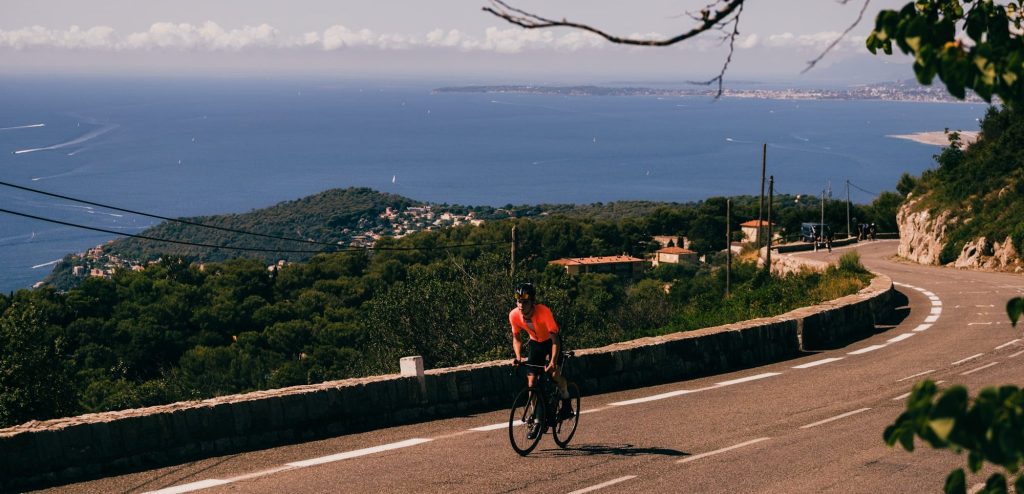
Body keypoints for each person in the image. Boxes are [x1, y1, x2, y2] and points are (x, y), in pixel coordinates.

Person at [510, 283, 572, 435]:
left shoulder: (544, 312)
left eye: (525, 302)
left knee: (554, 374)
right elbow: (516, 337)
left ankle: (566, 400)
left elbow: (555, 341)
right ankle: (538, 419)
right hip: (535, 343)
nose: (521, 305)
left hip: (551, 343)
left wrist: (552, 362)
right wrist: (518, 356)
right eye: (518, 301)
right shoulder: (514, 315)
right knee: (531, 382)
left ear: (533, 302)